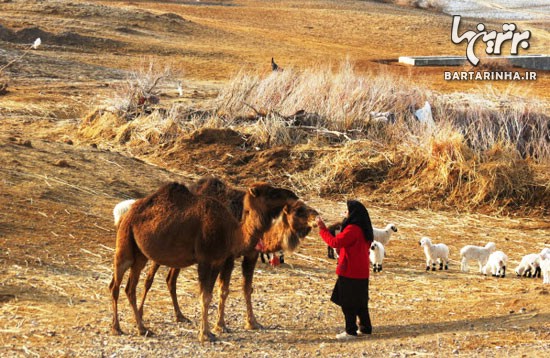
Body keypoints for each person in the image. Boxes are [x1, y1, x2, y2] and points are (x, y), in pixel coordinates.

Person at [316, 200, 374, 340]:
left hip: (350, 270)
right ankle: (365, 327)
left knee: (347, 303)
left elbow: (335, 242)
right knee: (360, 302)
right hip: (362, 271)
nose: (345, 213)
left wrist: (322, 229)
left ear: (353, 213)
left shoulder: (353, 228)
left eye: (347, 210)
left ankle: (350, 331)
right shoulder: (365, 228)